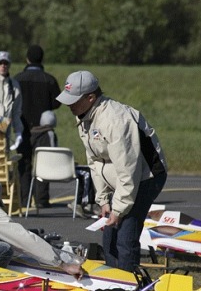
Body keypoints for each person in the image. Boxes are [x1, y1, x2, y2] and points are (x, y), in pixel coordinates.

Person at [56, 70, 167, 272]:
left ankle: (129, 284)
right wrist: (103, 200)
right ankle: (111, 281)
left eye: (74, 100)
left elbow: (128, 170)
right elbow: (95, 161)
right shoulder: (84, 116)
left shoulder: (115, 120)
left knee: (125, 236)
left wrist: (118, 209)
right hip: (121, 179)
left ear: (91, 98)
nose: (69, 105)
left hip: (144, 177)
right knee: (109, 236)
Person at [14, 45, 62, 209]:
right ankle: (41, 199)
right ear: (42, 59)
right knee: (43, 164)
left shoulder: (18, 79)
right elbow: (57, 102)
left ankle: (24, 199)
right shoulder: (49, 79)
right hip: (43, 129)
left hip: (23, 129)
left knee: (24, 164)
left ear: (27, 59)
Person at [0, 51, 23, 151]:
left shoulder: (14, 85)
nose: (3, 65)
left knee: (2, 159)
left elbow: (16, 112)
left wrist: (18, 132)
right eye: (0, 63)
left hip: (5, 132)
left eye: (6, 63)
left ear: (9, 65)